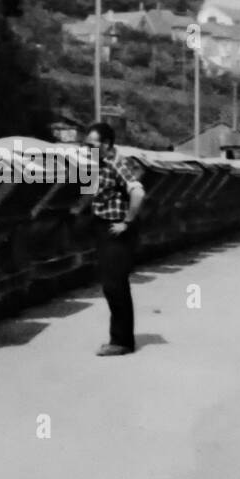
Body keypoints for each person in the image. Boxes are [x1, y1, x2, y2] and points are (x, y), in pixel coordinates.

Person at [84, 122, 146, 356]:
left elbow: (138, 193)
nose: (87, 148)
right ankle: (119, 338)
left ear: (107, 144)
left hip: (116, 230)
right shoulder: (94, 164)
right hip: (101, 227)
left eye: (92, 144)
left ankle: (121, 342)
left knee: (115, 284)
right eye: (85, 144)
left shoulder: (117, 163)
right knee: (111, 285)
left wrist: (127, 222)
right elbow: (88, 194)